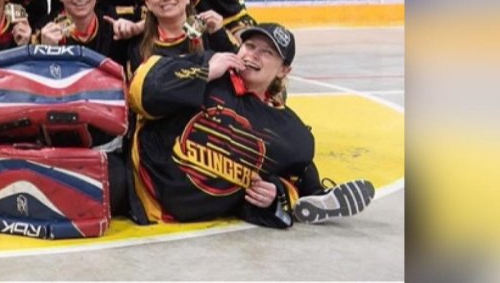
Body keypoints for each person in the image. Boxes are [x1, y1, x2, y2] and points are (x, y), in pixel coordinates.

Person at [120, 22, 376, 227]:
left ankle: (317, 195)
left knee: (300, 163)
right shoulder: (211, 65)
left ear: (283, 71)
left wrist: (277, 193)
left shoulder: (289, 130)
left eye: (267, 53)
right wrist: (205, 72)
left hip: (190, 213)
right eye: (250, 46)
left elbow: (277, 180)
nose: (254, 55)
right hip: (137, 182)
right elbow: (141, 92)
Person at [119, 0, 237, 78]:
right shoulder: (139, 46)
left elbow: (239, 69)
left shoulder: (210, 31)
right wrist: (206, 74)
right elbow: (144, 90)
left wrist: (219, 35)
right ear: (147, 3)